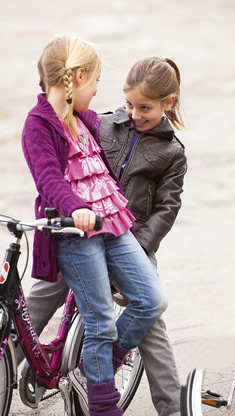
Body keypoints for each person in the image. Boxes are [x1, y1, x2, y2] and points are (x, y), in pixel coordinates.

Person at [20, 54, 187, 416]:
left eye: (144, 107)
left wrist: (140, 246)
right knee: (38, 303)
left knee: (151, 314)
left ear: (167, 104)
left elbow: (166, 209)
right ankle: (12, 367)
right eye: (129, 104)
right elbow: (61, 156)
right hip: (82, 233)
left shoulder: (172, 153)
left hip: (133, 239)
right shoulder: (105, 124)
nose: (134, 113)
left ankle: (171, 406)